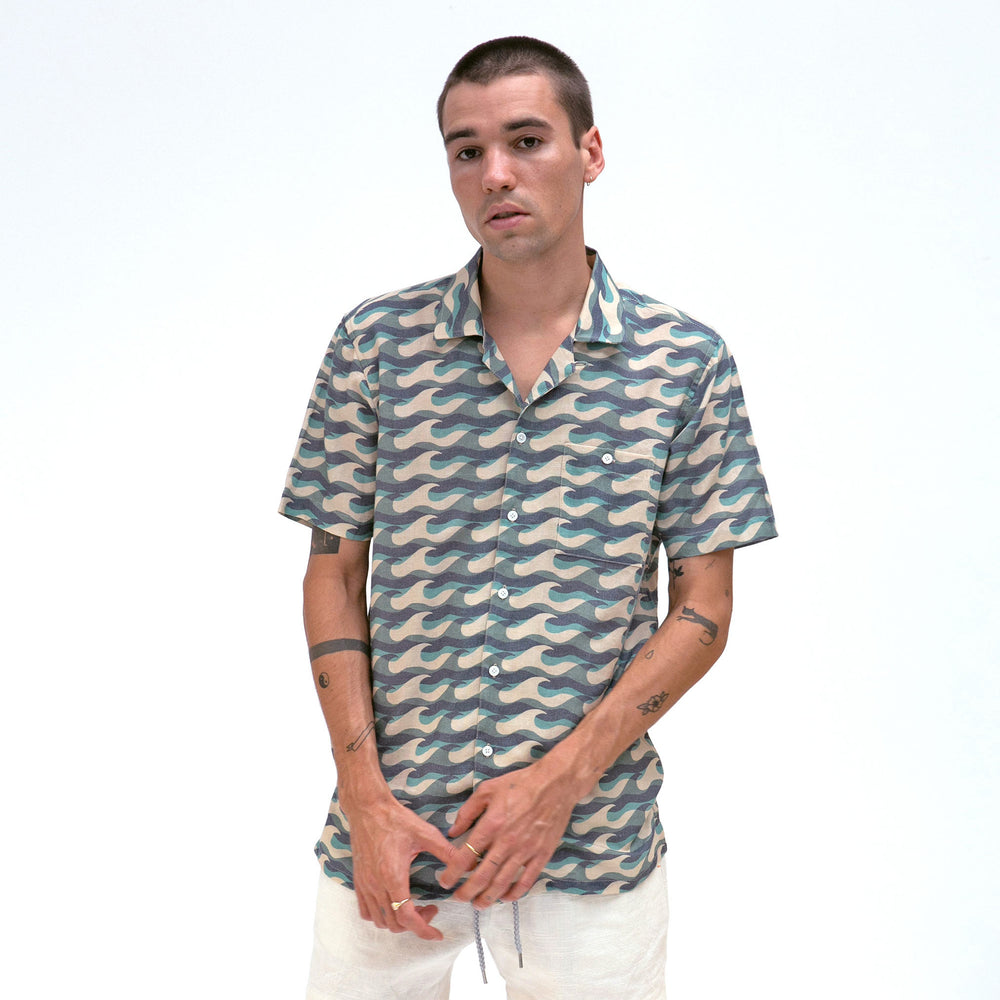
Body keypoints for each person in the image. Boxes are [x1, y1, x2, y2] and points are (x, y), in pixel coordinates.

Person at [280, 35, 776, 1000]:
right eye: (466, 150)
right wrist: (366, 802)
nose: (495, 174)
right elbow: (332, 572)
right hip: (394, 843)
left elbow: (704, 610)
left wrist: (558, 785)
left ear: (590, 152)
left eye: (526, 140)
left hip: (592, 848)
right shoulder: (375, 346)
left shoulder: (684, 364)